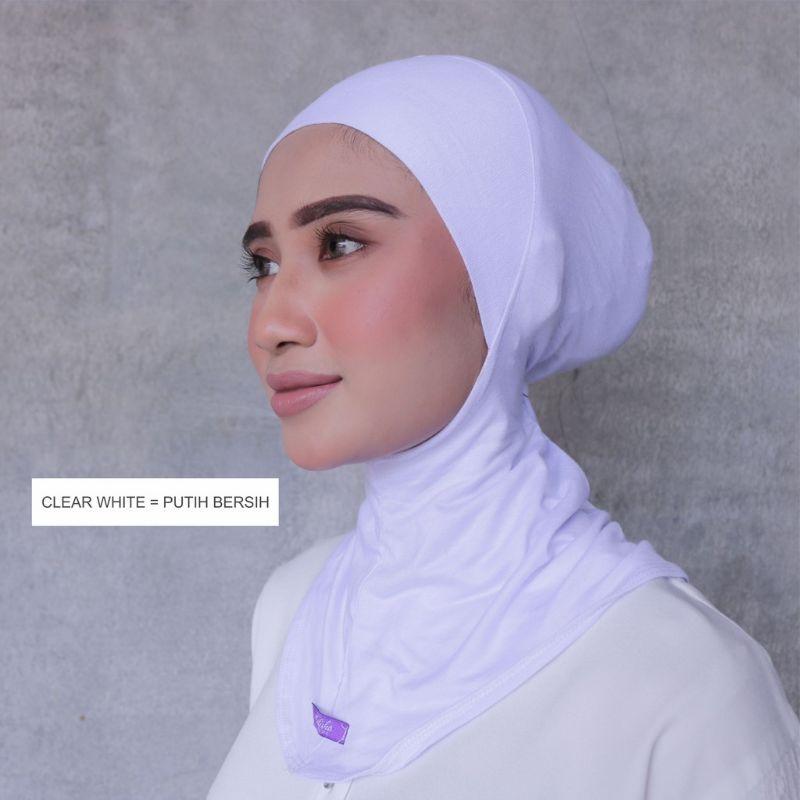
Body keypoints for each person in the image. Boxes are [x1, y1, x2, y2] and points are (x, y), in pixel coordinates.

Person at [208, 55, 800, 799]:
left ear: (504, 271)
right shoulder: (292, 607)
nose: (271, 325)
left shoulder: (688, 686)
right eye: (262, 265)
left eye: (341, 244)